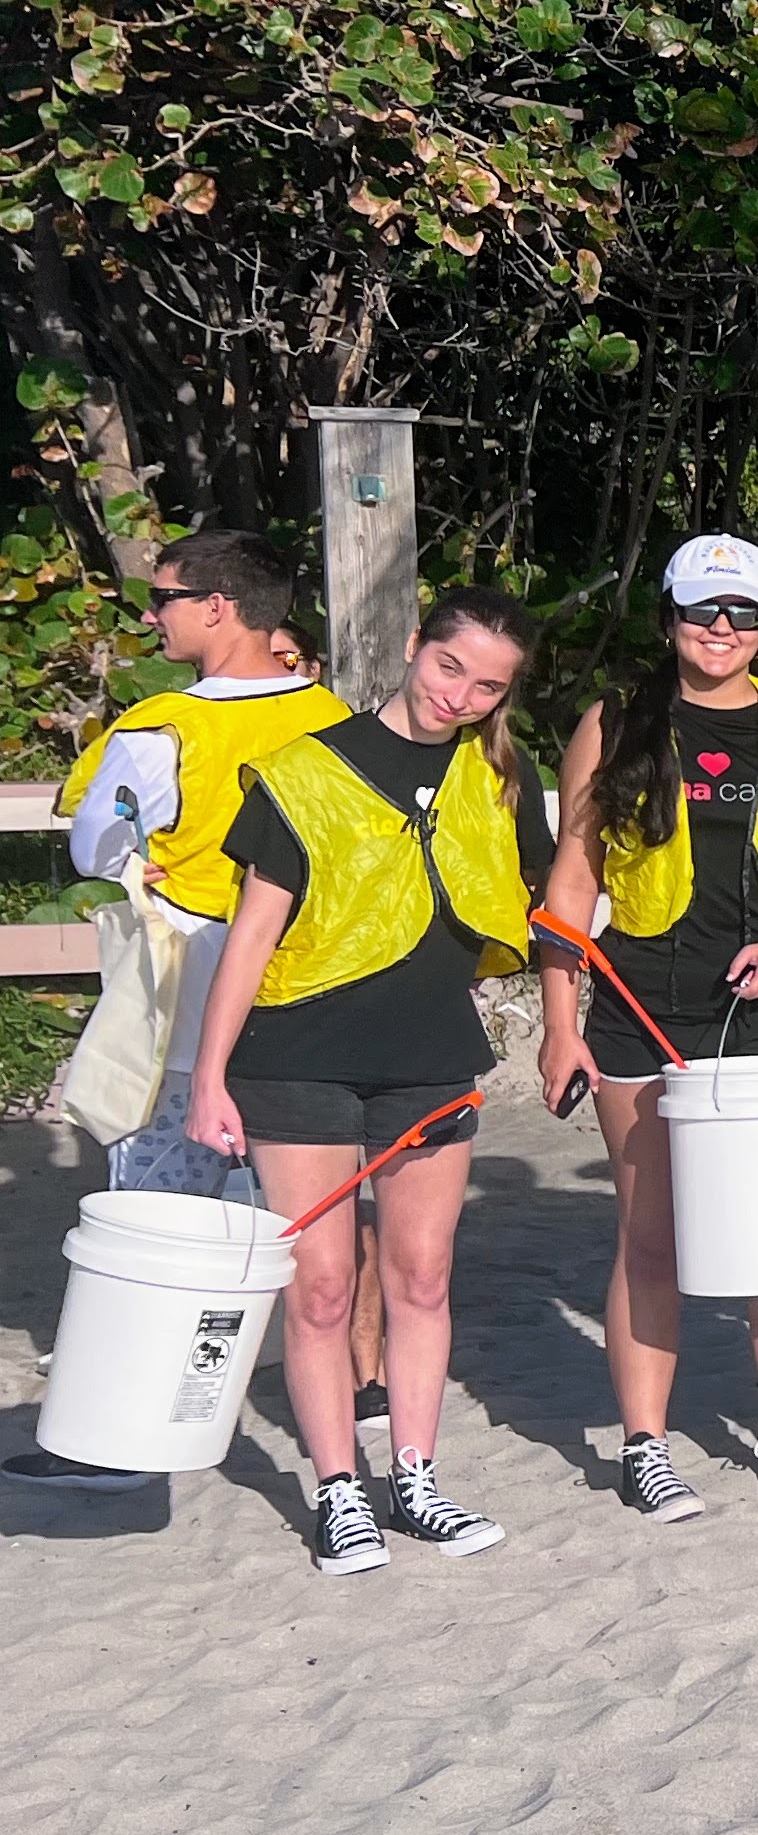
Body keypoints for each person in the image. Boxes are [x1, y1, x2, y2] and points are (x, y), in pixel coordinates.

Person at [185, 589, 550, 1576]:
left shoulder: (493, 781)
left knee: (422, 1278)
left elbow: (525, 904)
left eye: (486, 685)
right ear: (410, 648)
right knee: (322, 1289)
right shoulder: (306, 774)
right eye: (447, 667)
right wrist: (209, 1079)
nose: (458, 696)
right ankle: (339, 1490)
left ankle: (417, 1479)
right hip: (295, 1056)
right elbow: (249, 940)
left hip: (430, 1059)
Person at [539, 536, 758, 1519]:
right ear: (671, 616)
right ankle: (645, 1445)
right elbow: (573, 880)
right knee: (651, 1238)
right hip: (641, 1009)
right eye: (703, 611)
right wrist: (560, 1025)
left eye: (742, 614)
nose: (721, 630)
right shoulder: (615, 723)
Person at [57, 529, 348, 1195]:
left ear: (216, 606)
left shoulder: (161, 729)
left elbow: (94, 848)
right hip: (308, 993)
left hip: (191, 992)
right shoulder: (337, 718)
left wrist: (133, 865)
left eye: (164, 598)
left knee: (159, 1214)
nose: (150, 615)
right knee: (302, 1229)